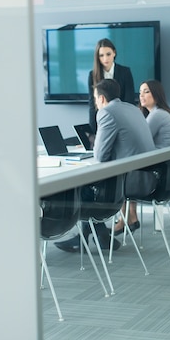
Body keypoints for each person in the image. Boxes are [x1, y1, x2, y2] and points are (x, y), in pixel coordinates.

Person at [55, 79, 155, 252]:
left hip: (129, 180)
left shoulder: (106, 113)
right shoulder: (132, 108)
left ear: (101, 99)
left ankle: (84, 239)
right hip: (148, 174)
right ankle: (100, 235)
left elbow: (100, 156)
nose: (95, 103)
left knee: (80, 188)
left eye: (95, 99)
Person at [113, 79, 170, 235]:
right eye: (140, 92)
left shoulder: (157, 115)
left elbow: (140, 140)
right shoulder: (164, 113)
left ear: (156, 95)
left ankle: (125, 218)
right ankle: (130, 216)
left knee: (122, 171)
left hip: (161, 174)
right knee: (130, 168)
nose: (141, 96)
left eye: (146, 92)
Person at [87, 38, 135, 134]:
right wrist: (93, 133)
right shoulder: (92, 75)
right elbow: (93, 105)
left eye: (108, 54)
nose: (105, 58)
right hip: (102, 121)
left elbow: (129, 100)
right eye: (101, 55)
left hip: (123, 120)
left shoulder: (125, 72)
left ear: (114, 53)